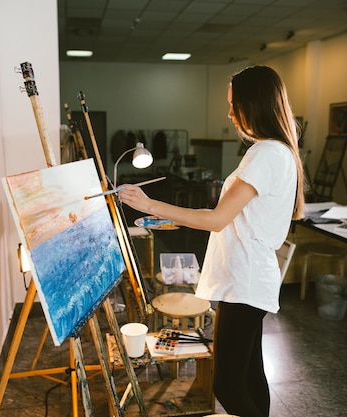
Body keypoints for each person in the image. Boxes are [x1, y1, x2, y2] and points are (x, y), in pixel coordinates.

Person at [119, 65, 305, 417]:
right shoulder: (275, 151)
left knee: (227, 385)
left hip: (244, 282)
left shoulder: (267, 153)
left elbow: (217, 219)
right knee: (250, 376)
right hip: (247, 280)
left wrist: (149, 204)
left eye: (235, 104)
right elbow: (227, 216)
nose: (230, 113)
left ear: (257, 104)